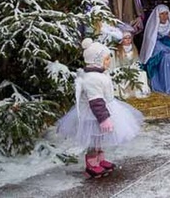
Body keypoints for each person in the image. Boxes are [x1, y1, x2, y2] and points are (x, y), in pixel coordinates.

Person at [57, 39, 144, 178]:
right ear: (96, 60)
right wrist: (104, 119)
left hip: (104, 109)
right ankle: (91, 164)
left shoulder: (100, 74)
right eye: (107, 59)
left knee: (99, 138)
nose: (109, 61)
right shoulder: (92, 78)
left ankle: (99, 159)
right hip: (94, 114)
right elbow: (96, 101)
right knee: (93, 138)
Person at [114, 31, 151, 99]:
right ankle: (127, 93)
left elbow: (136, 61)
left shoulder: (134, 49)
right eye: (125, 38)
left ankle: (141, 91)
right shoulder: (118, 51)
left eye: (129, 38)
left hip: (132, 68)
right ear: (122, 40)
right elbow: (116, 64)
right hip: (122, 69)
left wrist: (134, 66)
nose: (128, 40)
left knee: (142, 73)